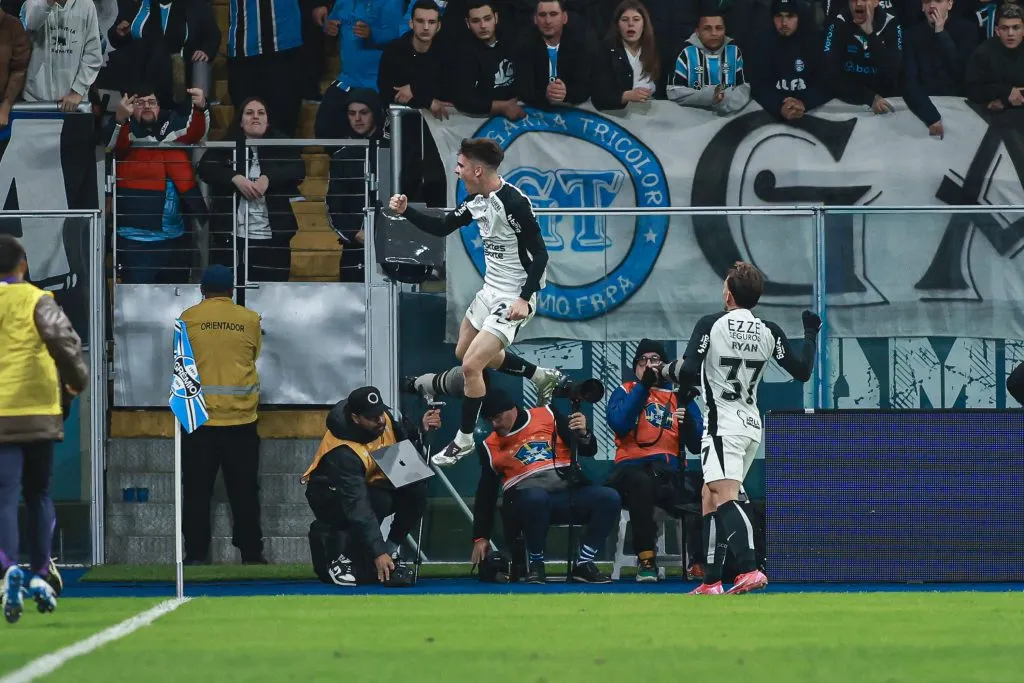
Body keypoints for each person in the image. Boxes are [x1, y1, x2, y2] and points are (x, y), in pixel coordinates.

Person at [388, 138, 563, 467]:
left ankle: (464, 439)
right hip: (490, 291)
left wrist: (524, 299)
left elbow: (541, 255)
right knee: (462, 354)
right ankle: (540, 375)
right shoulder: (476, 201)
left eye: (461, 165)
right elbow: (442, 226)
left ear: (477, 170)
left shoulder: (513, 203)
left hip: (514, 295)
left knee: (470, 366)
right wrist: (405, 211)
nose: (456, 169)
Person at [659, 261, 821, 595]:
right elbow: (802, 370)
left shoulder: (711, 325)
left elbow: (688, 372)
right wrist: (809, 334)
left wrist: (665, 371)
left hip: (723, 424)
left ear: (728, 293)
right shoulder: (769, 330)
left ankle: (750, 567)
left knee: (724, 495)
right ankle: (711, 580)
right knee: (709, 495)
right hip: (750, 425)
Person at [0, 235, 88, 624]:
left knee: (3, 496)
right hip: (37, 413)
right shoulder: (38, 300)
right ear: (22, 265)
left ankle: (6, 570)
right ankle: (40, 569)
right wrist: (76, 382)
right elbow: (65, 344)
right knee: (38, 494)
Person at [470, 388, 618, 584]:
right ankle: (536, 564)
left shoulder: (547, 415)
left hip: (566, 493)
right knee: (536, 498)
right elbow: (485, 495)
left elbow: (587, 450)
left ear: (512, 409)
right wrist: (480, 536)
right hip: (525, 503)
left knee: (609, 497)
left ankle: (584, 563)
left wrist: (584, 433)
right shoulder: (490, 445)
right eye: (490, 420)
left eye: (497, 417)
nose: (495, 424)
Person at [302, 386, 440, 586]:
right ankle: (345, 561)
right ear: (356, 418)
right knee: (379, 501)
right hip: (329, 497)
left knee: (416, 487)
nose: (381, 421)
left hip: (370, 483)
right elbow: (357, 504)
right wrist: (378, 552)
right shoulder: (342, 450)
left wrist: (421, 428)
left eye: (380, 413)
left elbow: (403, 448)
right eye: (372, 418)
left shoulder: (384, 419)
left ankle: (391, 547)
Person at [178, 265, 266, 564]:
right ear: (232, 290)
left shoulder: (187, 318)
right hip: (242, 420)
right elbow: (253, 355)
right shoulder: (250, 319)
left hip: (198, 420)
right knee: (244, 493)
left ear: (203, 290)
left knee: (196, 493)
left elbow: (181, 362)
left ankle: (196, 554)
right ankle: (252, 554)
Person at [605, 339, 704, 582]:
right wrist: (644, 388)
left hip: (669, 473)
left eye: (655, 361)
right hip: (631, 469)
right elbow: (619, 422)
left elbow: (697, 443)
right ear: (636, 367)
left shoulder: (679, 396)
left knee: (706, 484)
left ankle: (699, 560)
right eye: (643, 361)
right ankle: (646, 558)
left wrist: (689, 422)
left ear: (665, 366)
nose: (649, 365)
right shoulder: (626, 390)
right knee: (641, 481)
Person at [198, 97, 305, 285]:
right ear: (240, 121)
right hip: (232, 239)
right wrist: (235, 178)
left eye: (261, 113)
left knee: (272, 297)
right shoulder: (228, 145)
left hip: (273, 241)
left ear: (268, 120)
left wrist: (268, 178)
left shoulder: (280, 145)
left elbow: (298, 169)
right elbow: (206, 167)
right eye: (249, 113)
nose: (255, 117)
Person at [591, 0, 662, 111]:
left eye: (636, 19)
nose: (630, 24)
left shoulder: (654, 49)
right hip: (619, 116)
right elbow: (599, 97)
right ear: (617, 25)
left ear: (644, 24)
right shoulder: (606, 51)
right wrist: (626, 96)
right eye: (625, 20)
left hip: (651, 113)